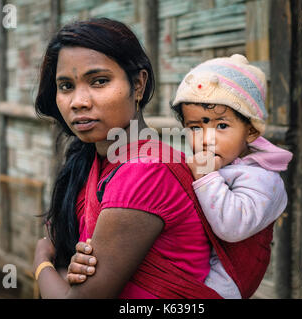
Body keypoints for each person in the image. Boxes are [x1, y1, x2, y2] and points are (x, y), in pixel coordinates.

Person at [67, 54, 293, 298]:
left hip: (221, 288)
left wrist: (207, 178)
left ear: (250, 131)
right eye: (196, 127)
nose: (207, 139)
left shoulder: (264, 179)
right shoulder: (208, 163)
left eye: (222, 126)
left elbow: (232, 227)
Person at [32, 18, 220, 299]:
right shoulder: (96, 160)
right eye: (66, 86)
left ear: (138, 84)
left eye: (99, 81)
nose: (78, 101)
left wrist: (41, 261)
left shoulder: (145, 172)